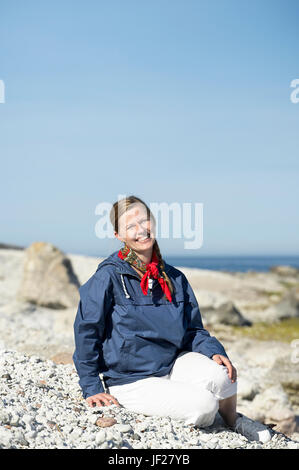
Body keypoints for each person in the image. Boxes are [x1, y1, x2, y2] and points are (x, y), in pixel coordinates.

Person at [73, 195, 272, 443]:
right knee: (204, 406)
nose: (141, 230)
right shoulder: (108, 277)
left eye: (144, 221)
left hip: (172, 365)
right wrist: (92, 387)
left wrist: (213, 350)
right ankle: (211, 416)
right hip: (131, 380)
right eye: (130, 226)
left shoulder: (175, 278)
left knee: (223, 374)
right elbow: (86, 331)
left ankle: (233, 421)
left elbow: (193, 330)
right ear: (118, 235)